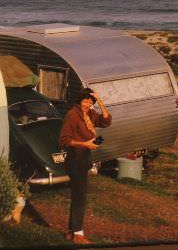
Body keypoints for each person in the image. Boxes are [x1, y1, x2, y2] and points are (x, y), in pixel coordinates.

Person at [58, 87, 111, 244]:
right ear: (79, 100)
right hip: (75, 159)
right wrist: (85, 144)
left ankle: (71, 232)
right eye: (85, 101)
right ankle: (78, 234)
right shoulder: (72, 115)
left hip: (84, 158)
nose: (87, 104)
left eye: (90, 101)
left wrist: (100, 101)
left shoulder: (90, 114)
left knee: (78, 195)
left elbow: (106, 121)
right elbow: (64, 140)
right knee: (80, 196)